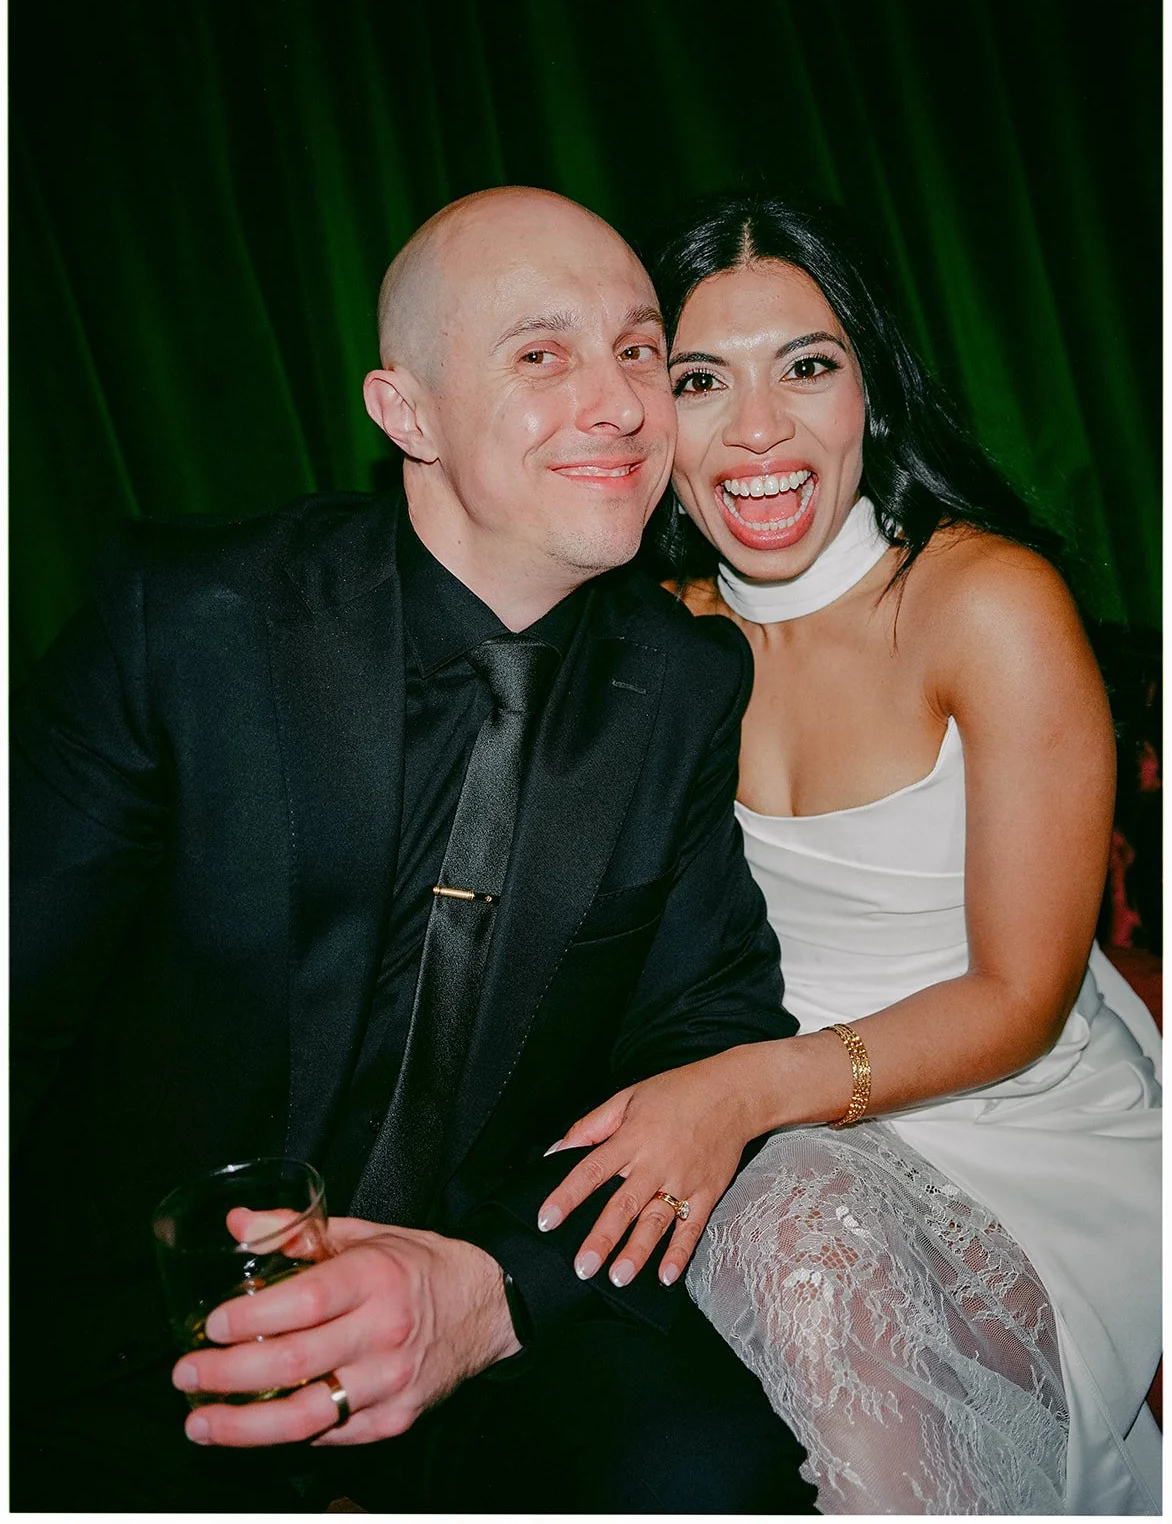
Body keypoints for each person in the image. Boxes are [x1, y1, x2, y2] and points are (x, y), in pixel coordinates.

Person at [9, 187, 817, 1513]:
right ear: (408, 414)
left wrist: (494, 1291)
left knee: (729, 1476)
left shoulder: (680, 679)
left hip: (487, 1316)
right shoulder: (188, 624)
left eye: (637, 349)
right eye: (540, 354)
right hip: (144, 1343)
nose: (621, 403)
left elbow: (704, 1030)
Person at [541, 195, 1162, 1514]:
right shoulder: (653, 634)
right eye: (703, 380)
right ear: (649, 412)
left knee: (796, 1229)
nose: (758, 433)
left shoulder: (983, 603)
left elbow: (1025, 1001)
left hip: (1021, 1125)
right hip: (777, 1129)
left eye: (808, 368)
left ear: (871, 393)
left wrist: (741, 1096)